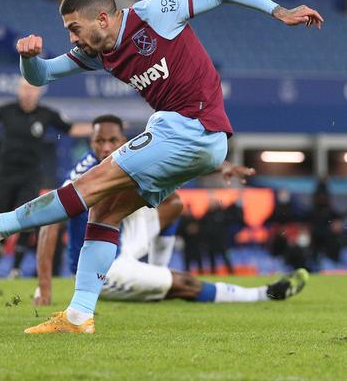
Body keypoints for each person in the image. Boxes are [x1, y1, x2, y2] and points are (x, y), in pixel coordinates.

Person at [0, 0, 322, 333]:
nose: (71, 38)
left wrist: (280, 11)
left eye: (74, 28)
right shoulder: (96, 54)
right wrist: (28, 59)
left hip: (190, 125)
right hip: (200, 141)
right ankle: (79, 314)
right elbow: (42, 76)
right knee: (104, 211)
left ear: (102, 19)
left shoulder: (156, 11)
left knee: (90, 185)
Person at [29, 115, 307, 321]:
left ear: (122, 140)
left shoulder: (125, 159)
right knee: (183, 284)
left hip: (123, 243)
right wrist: (44, 287)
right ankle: (262, 293)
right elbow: (50, 224)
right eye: (99, 141)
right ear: (90, 142)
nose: (105, 147)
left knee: (172, 201)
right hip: (101, 269)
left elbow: (174, 164)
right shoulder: (83, 175)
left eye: (112, 140)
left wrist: (222, 166)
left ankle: (156, 267)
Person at [0, 77, 89, 277]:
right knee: (2, 212)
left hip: (31, 175)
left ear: (40, 93)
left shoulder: (47, 115)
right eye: (24, 88)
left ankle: (16, 267)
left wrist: (103, 127)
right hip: (5, 174)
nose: (28, 92)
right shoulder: (6, 111)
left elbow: (71, 129)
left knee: (26, 214)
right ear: (18, 91)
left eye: (32, 89)